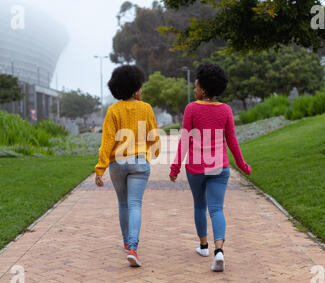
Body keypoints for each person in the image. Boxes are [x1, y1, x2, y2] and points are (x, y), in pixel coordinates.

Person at [169, 63, 252, 272]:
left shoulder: (192, 108)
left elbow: (185, 140)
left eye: (196, 87)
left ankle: (204, 246)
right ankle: (219, 251)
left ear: (204, 89)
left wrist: (175, 167)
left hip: (196, 167)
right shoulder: (225, 110)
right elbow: (232, 141)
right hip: (218, 166)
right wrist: (242, 164)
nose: (194, 90)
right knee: (216, 209)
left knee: (199, 206)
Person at [95, 65, 160, 267]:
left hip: (117, 163)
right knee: (135, 204)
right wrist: (152, 150)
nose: (142, 91)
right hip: (140, 162)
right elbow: (153, 137)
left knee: (123, 204)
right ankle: (133, 247)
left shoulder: (113, 110)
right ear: (134, 89)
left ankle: (126, 243)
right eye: (140, 87)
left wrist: (100, 169)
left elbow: (107, 142)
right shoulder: (146, 108)